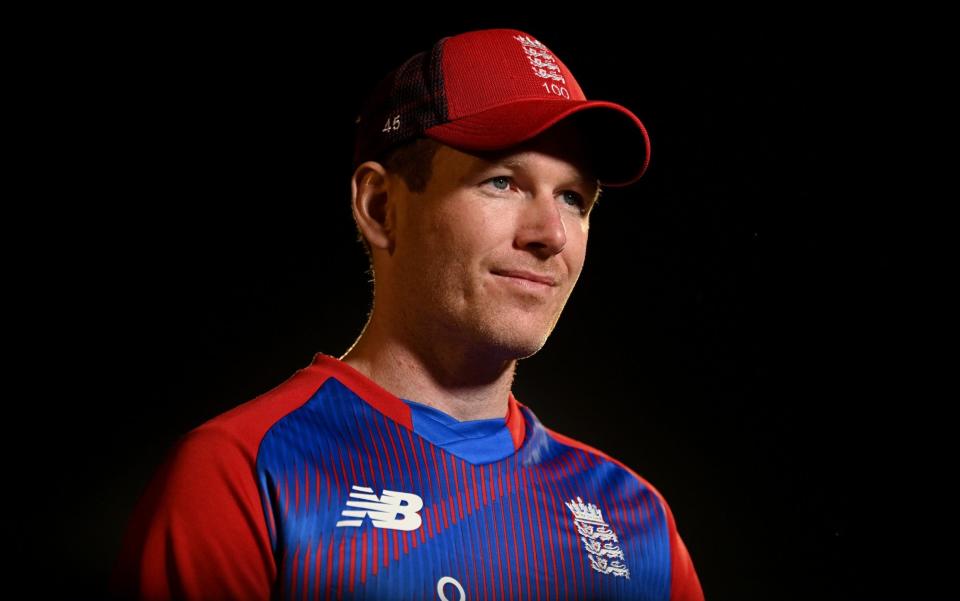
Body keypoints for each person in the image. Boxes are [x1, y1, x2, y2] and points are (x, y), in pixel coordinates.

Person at [110, 27, 705, 601]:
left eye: (574, 198)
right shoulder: (242, 472)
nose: (551, 234)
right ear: (380, 206)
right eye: (502, 182)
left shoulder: (639, 519)